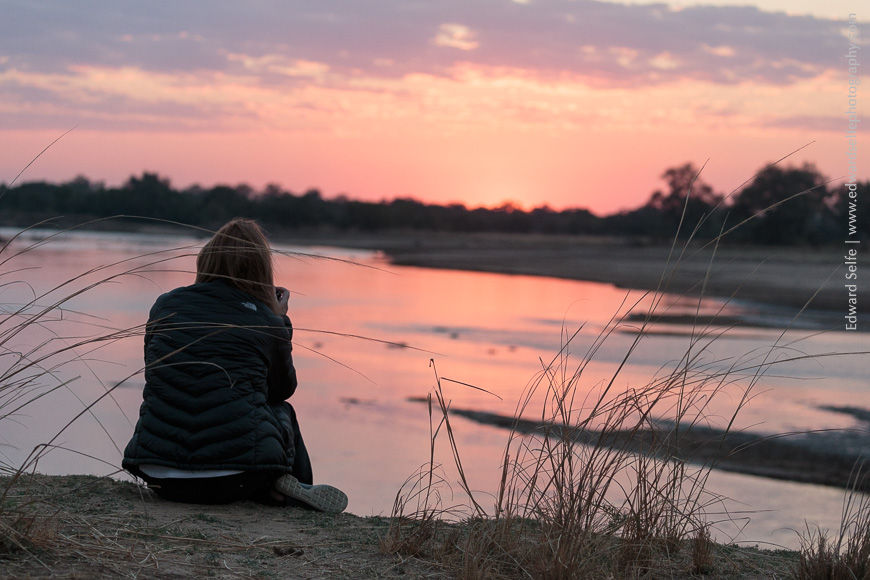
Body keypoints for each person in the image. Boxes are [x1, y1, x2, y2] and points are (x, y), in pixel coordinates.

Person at [122, 218, 347, 513]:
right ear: (261, 271)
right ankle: (290, 492)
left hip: (157, 472)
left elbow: (156, 371)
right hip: (236, 477)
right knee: (282, 412)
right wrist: (279, 320)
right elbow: (281, 390)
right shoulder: (265, 320)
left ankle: (271, 485)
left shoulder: (165, 306)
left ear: (206, 261)